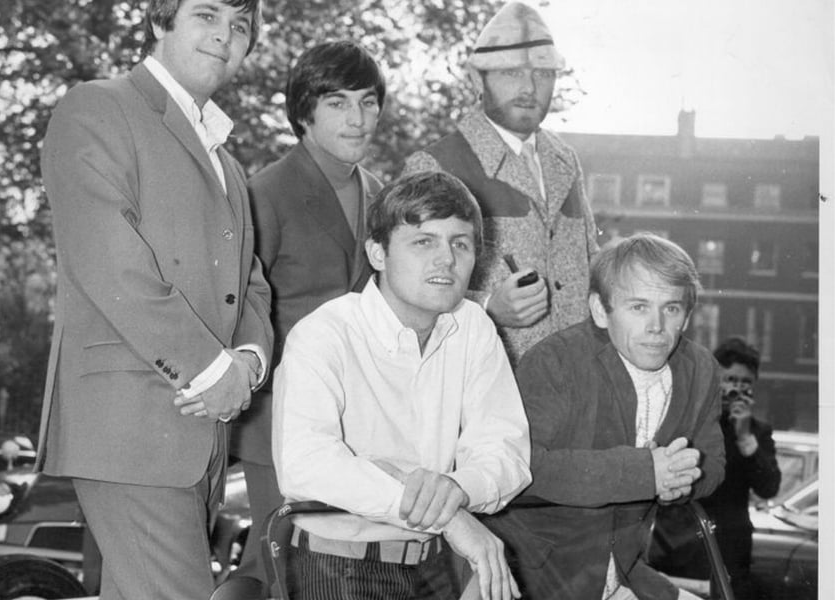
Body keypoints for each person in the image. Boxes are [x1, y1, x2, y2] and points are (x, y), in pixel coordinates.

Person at [34, 1, 273, 598]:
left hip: (200, 437)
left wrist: (249, 361)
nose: (224, 36)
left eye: (239, 27)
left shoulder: (227, 163)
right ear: (160, 20)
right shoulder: (98, 106)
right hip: (132, 430)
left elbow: (250, 283)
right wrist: (213, 370)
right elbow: (109, 263)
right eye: (206, 15)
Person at [272, 171, 532, 600]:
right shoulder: (324, 334)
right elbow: (307, 465)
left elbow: (505, 451)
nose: (446, 260)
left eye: (460, 244)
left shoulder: (473, 326)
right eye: (424, 242)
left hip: (437, 562)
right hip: (339, 565)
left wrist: (457, 489)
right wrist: (447, 517)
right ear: (378, 252)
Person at [483, 233, 725, 600]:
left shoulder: (700, 369)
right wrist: (644, 473)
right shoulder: (555, 361)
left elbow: (713, 464)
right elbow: (518, 468)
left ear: (687, 316)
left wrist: (682, 482)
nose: (657, 326)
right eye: (639, 307)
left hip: (624, 571)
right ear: (600, 310)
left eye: (672, 308)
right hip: (535, 578)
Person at [230, 40, 386, 594]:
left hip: (356, 421)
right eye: (338, 103)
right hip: (279, 420)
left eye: (368, 102)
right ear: (304, 113)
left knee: (338, 572)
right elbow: (239, 309)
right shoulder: (263, 194)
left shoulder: (381, 196)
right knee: (279, 565)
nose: (357, 118)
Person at [402, 0, 599, 366]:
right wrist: (488, 306)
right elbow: (407, 289)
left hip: (575, 378)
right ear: (478, 79)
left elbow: (591, 261)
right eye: (511, 73)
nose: (529, 88)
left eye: (543, 74)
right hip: (486, 380)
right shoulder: (437, 165)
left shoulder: (565, 161)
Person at [658, 337, 781, 598]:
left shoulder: (757, 431)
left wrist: (745, 437)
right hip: (682, 545)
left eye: (745, 382)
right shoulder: (690, 422)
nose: (737, 388)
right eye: (730, 380)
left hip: (730, 550)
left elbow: (769, 487)